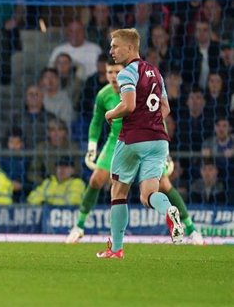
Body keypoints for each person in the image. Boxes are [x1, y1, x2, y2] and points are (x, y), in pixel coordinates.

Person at [66, 60, 203, 244]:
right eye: (109, 72)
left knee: (163, 184)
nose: (113, 76)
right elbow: (96, 122)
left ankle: (192, 230)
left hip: (142, 139)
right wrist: (92, 147)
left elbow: (156, 119)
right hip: (117, 141)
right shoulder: (103, 95)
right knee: (97, 179)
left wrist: (167, 155)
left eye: (116, 72)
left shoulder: (137, 93)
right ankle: (79, 226)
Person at [96, 28, 184, 259]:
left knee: (118, 191)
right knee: (148, 195)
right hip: (158, 141)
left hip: (133, 139)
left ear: (130, 48)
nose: (111, 50)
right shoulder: (155, 73)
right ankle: (169, 210)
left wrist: (110, 114)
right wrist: (151, 121)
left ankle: (116, 248)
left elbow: (129, 105)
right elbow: (165, 108)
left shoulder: (127, 73)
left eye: (115, 46)